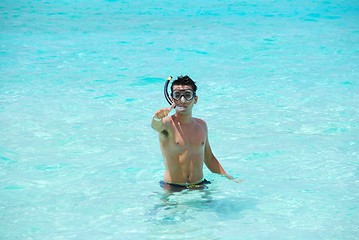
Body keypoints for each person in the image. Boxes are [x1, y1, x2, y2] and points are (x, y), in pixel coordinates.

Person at [151, 75, 234, 191]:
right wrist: (157, 117)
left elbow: (209, 158)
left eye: (188, 95)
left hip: (199, 186)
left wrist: (228, 177)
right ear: (172, 99)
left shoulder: (202, 125)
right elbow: (156, 126)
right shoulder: (167, 124)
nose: (183, 100)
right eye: (177, 95)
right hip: (173, 189)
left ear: (195, 99)